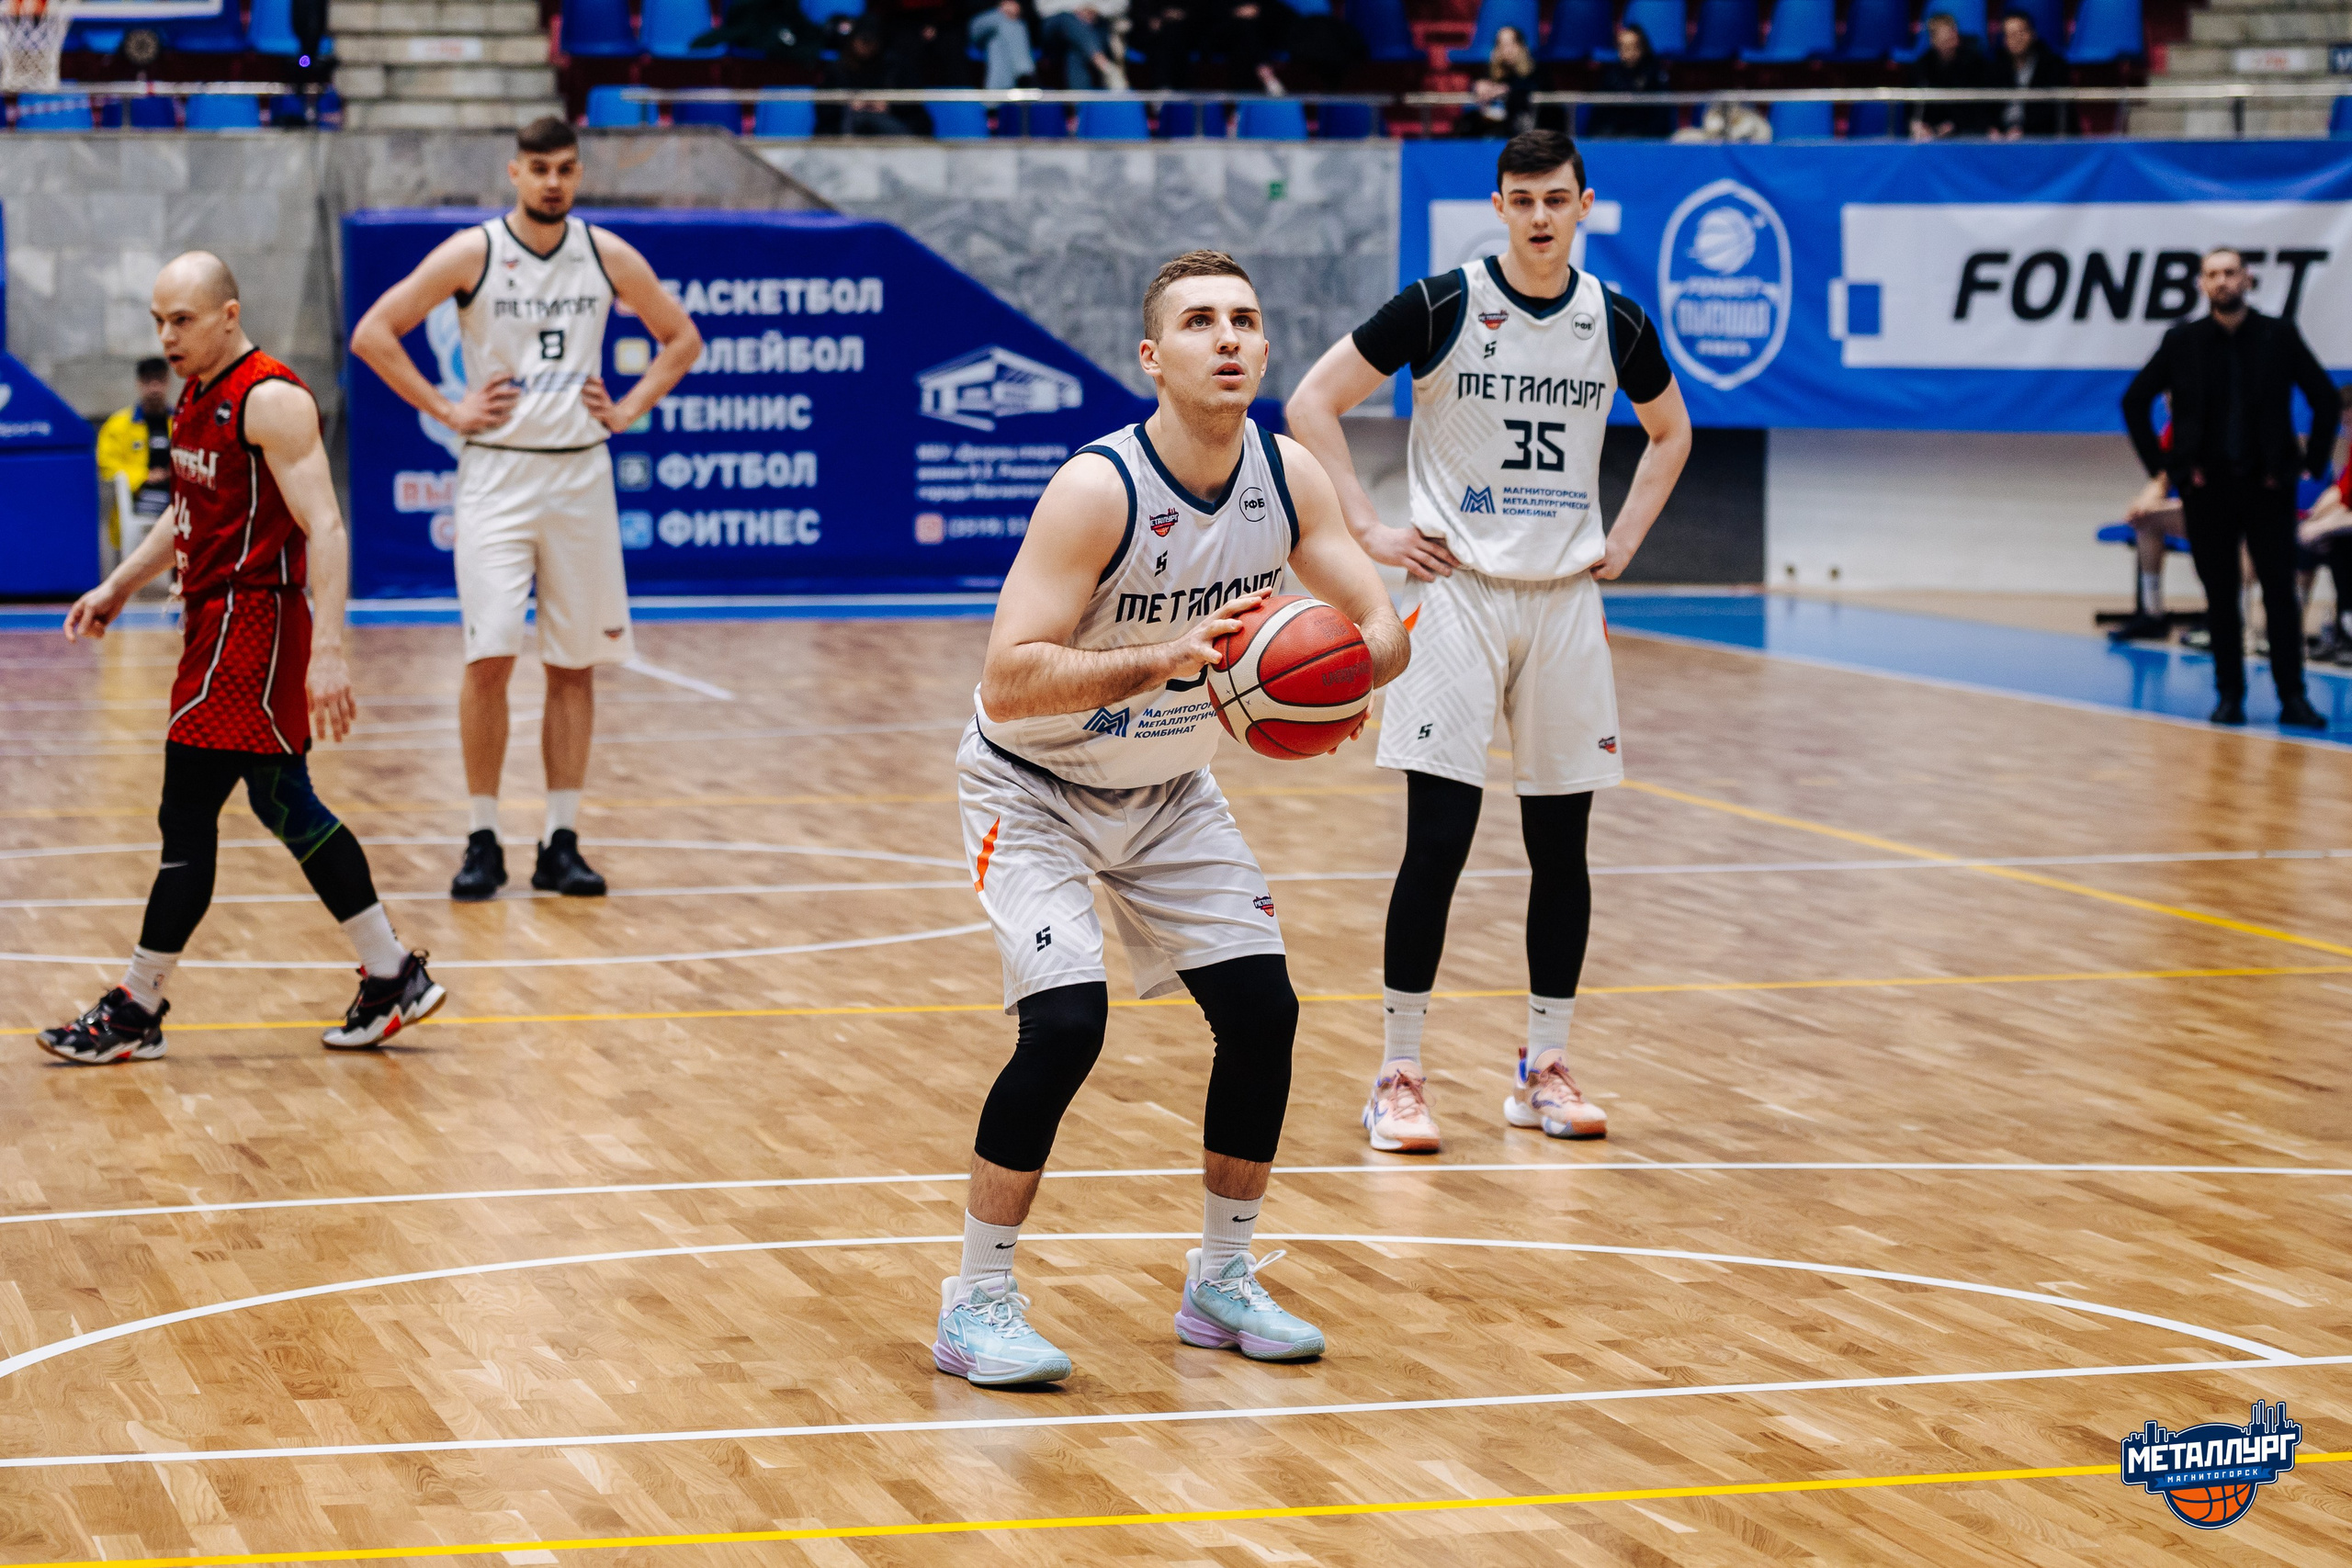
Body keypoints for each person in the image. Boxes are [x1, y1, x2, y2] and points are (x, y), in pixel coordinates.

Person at [934, 250, 1409, 1386]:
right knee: (1065, 1025)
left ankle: (1222, 1280)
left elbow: (1382, 619)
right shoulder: (1098, 489)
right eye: (1200, 322)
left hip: (1170, 791)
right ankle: (976, 1300)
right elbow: (1006, 679)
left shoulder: (1286, 475)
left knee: (1265, 1015)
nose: (1230, 338)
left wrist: (1346, 676)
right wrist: (1162, 661)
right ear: (1154, 357)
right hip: (1032, 783)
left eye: (1245, 318)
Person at [1285, 129, 1691, 1153]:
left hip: (1563, 603)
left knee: (1563, 851)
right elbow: (1311, 402)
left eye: (1557, 198)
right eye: (1522, 199)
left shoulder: (1616, 320)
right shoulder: (1443, 303)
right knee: (1440, 843)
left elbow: (1671, 431)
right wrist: (1369, 532)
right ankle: (1398, 1073)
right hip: (1459, 596)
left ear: (1585, 203)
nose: (1541, 216)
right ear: (1500, 205)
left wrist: (1627, 536)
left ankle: (1542, 1068)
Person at [39, 253, 447, 1065]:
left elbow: (327, 528)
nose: (167, 336)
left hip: (254, 628)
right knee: (283, 801)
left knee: (186, 812)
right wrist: (120, 582)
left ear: (229, 315)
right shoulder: (194, 396)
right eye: (159, 320)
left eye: (182, 320)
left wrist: (327, 652)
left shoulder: (272, 400)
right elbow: (189, 511)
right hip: (214, 621)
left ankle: (136, 1003)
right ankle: (391, 970)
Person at [349, 118, 702, 901]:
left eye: (566, 169)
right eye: (539, 168)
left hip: (580, 474)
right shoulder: (473, 252)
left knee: (574, 665)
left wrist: (632, 405)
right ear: (513, 172)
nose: (553, 182)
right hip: (498, 477)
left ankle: (560, 839)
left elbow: (681, 338)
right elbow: (374, 332)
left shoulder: (606, 254)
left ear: (578, 175)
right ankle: (482, 836)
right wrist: (447, 409)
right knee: (490, 656)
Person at [2122, 246, 2337, 730]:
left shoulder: (2277, 335)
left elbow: (2325, 399)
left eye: (2231, 272)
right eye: (2213, 274)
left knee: (2279, 593)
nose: (2222, 281)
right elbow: (2136, 400)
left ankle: (2293, 697)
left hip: (2268, 486)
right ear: (2201, 285)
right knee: (2220, 594)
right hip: (2208, 488)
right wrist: (2167, 469)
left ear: (2248, 280)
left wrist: (2311, 464)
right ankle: (2229, 696)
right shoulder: (2184, 341)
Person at [96, 355, 175, 564]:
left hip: (176, 498)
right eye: (148, 381)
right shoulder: (118, 425)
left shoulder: (181, 422)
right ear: (139, 384)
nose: (154, 388)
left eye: (159, 381)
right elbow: (106, 464)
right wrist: (143, 476)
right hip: (139, 499)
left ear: (167, 382)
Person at [1907, 11, 1988, 140]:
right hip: (1933, 132)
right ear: (1933, 40)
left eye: (1953, 31)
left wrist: (1954, 125)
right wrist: (1919, 125)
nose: (1952, 37)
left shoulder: (1974, 63)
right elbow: (1915, 110)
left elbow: (1979, 109)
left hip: (1966, 130)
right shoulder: (1922, 67)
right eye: (1946, 36)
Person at [1587, 22, 1673, 140]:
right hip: (1613, 134)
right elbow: (1598, 115)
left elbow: (1661, 118)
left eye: (1632, 47)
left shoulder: (1655, 75)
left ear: (1642, 48)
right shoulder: (1611, 75)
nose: (1628, 52)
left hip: (1644, 136)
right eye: (1623, 47)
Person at [1990, 8, 2067, 140]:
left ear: (2033, 34)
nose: (2017, 39)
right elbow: (1987, 108)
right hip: (2002, 136)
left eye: (2021, 32)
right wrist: (1994, 128)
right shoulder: (1995, 67)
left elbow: (2053, 113)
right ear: (2004, 40)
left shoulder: (2052, 65)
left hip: (2037, 137)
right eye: (2010, 34)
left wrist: (2024, 131)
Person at [1456, 24, 1534, 138]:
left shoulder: (1534, 70)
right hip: (1494, 127)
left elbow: (1528, 86)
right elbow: (1482, 85)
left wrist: (1505, 89)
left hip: (1521, 133)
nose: (1507, 50)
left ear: (1521, 46)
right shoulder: (1493, 71)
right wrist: (1479, 85)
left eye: (1511, 44)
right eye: (1502, 45)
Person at [1035, 0, 1124, 87]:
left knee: (1075, 49)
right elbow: (1042, 7)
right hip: (1055, 27)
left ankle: (1080, 99)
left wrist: (1095, 10)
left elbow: (1121, 4)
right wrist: (1075, 9)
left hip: (1096, 25)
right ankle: (1103, 64)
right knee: (1068, 19)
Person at [969, 0, 1036, 89]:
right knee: (1009, 22)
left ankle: (995, 95)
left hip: (1007, 28)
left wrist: (1019, 8)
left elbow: (1033, 12)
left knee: (997, 43)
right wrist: (1000, 7)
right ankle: (1024, 73)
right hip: (979, 21)